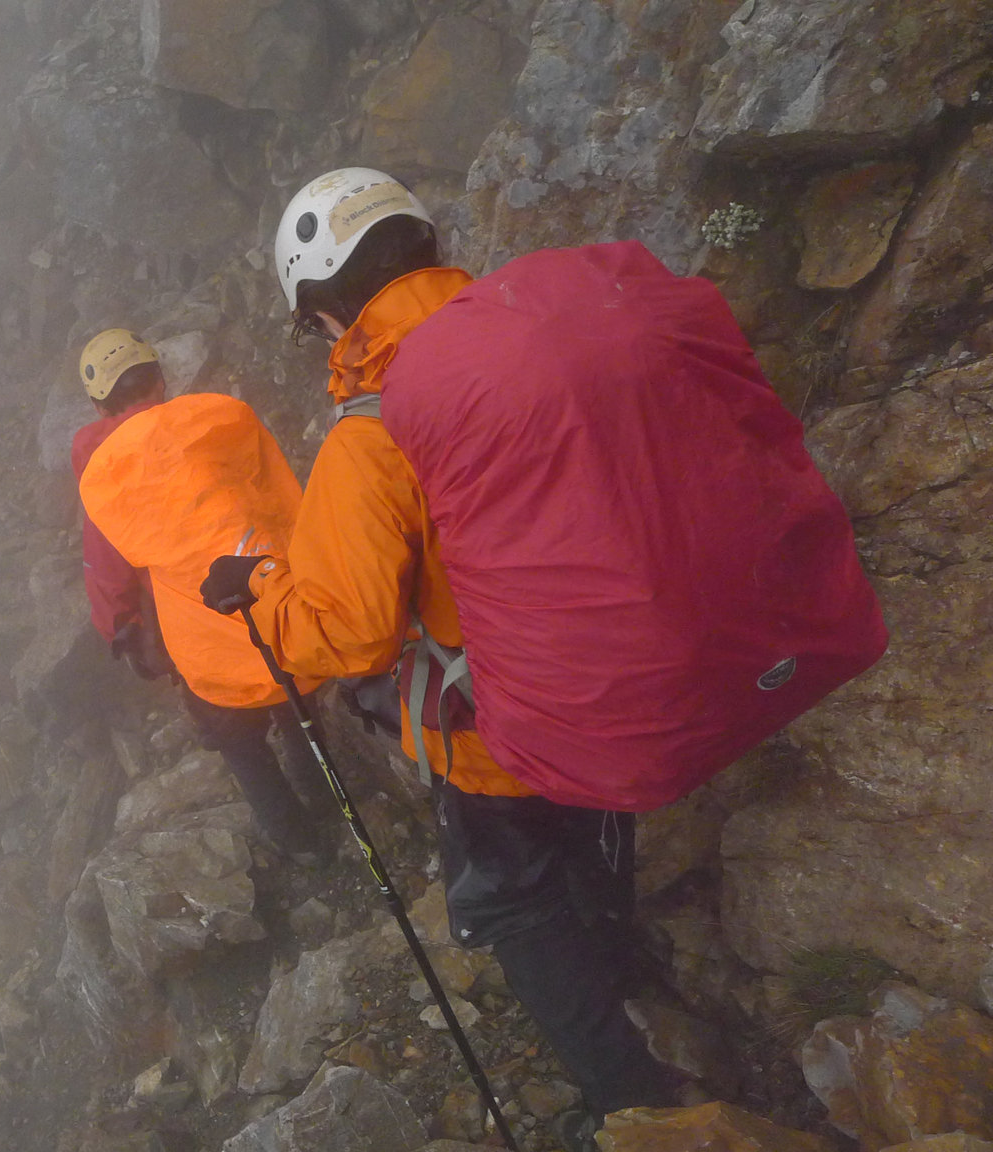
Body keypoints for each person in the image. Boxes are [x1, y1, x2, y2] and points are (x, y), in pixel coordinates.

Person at [198, 169, 683, 1137]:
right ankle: (623, 962)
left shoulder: (373, 437)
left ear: (328, 308)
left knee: (511, 903)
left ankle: (632, 1098)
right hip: (618, 670)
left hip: (497, 728)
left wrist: (260, 592)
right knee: (594, 826)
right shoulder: (547, 345)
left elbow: (349, 631)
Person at [70, 328, 338, 864]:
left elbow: (106, 567)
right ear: (160, 379)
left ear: (99, 405)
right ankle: (329, 799)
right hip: (266, 596)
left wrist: (123, 630)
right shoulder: (217, 422)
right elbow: (278, 502)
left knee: (239, 742)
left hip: (194, 637)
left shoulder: (105, 474)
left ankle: (299, 841)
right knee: (293, 702)